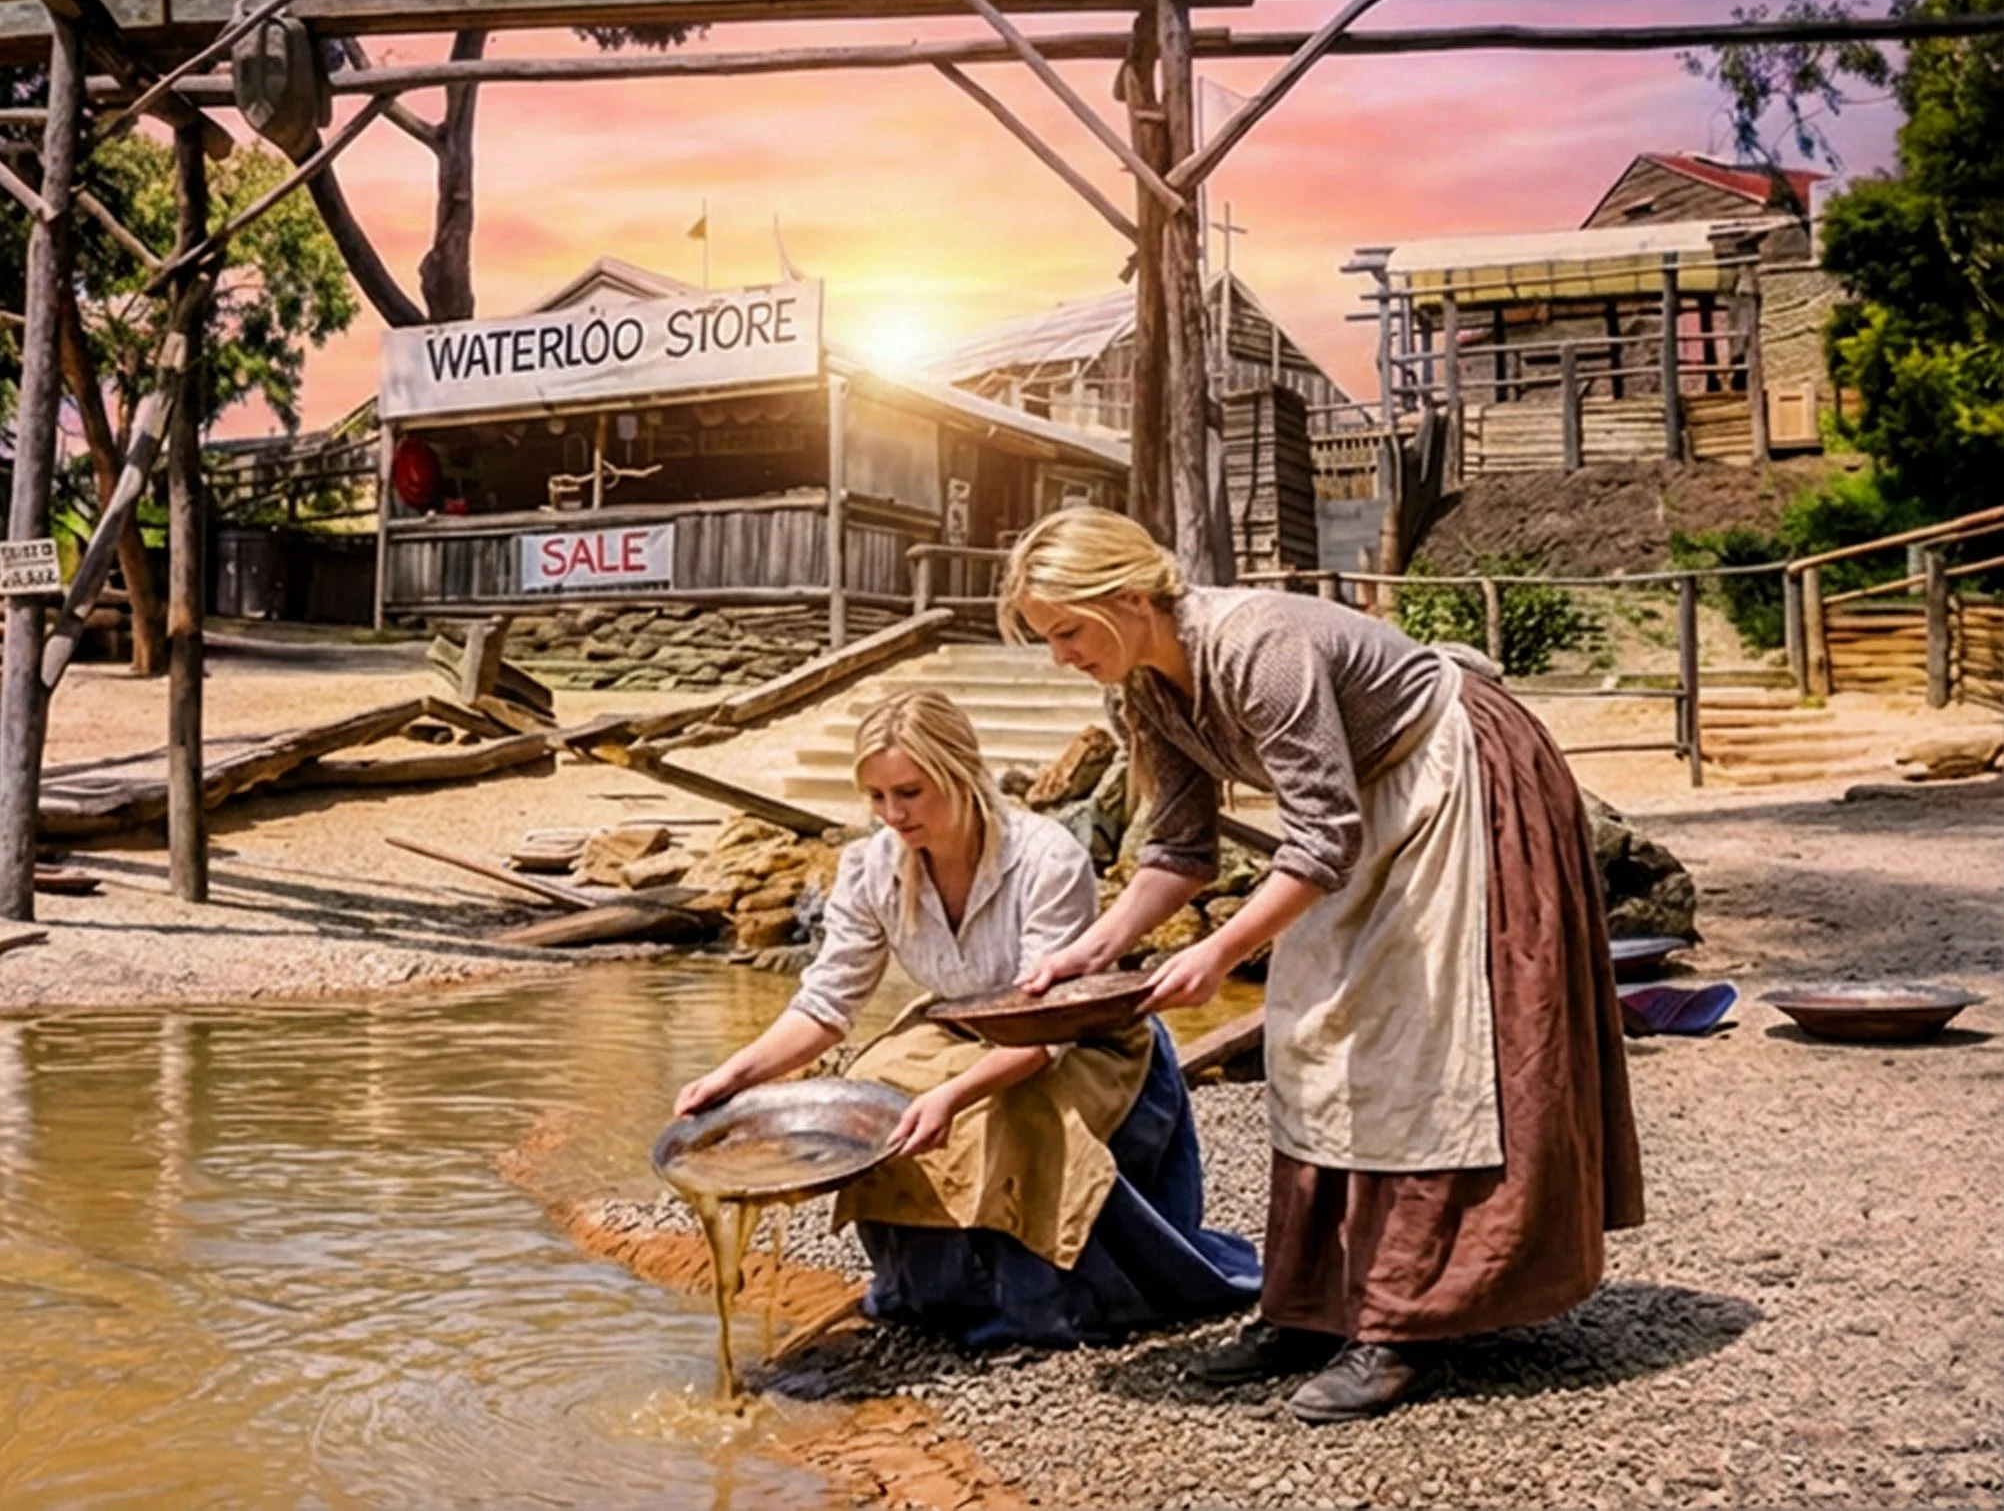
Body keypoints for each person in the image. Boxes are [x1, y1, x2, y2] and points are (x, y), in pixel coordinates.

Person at [1002, 506, 1644, 1422]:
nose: (1061, 654)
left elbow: (1322, 834)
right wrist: (1093, 948)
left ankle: (1404, 1325)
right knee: (1310, 1034)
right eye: (1046, 638)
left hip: (1447, 770)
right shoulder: (1145, 690)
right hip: (1354, 809)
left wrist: (1223, 950)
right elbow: (1182, 852)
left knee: (1419, 1044)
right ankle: (1310, 1305)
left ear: (1133, 596)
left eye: (1068, 630)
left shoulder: (1258, 646)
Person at [673, 687, 1260, 1347]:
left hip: (1079, 1032)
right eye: (876, 797)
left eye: (910, 793)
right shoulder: (871, 868)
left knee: (1007, 1111)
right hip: (958, 1023)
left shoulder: (1046, 858)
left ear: (959, 772)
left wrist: (952, 1095)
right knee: (872, 1089)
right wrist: (733, 1077)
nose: (892, 814)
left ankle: (1033, 1298)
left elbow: (1050, 1028)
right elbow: (826, 1006)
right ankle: (923, 1286)